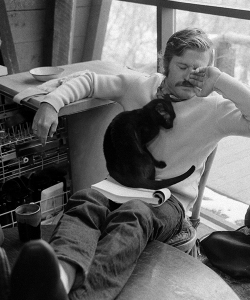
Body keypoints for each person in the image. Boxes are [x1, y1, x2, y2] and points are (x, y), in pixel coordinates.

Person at [2, 27, 250, 300]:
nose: (191, 75)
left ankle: (85, 296)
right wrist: (51, 103)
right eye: (182, 66)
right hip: (118, 187)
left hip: (169, 202)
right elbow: (90, 80)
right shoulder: (140, 85)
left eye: (200, 69)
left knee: (133, 214)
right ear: (165, 63)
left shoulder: (215, 108)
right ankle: (58, 281)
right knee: (85, 201)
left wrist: (222, 81)